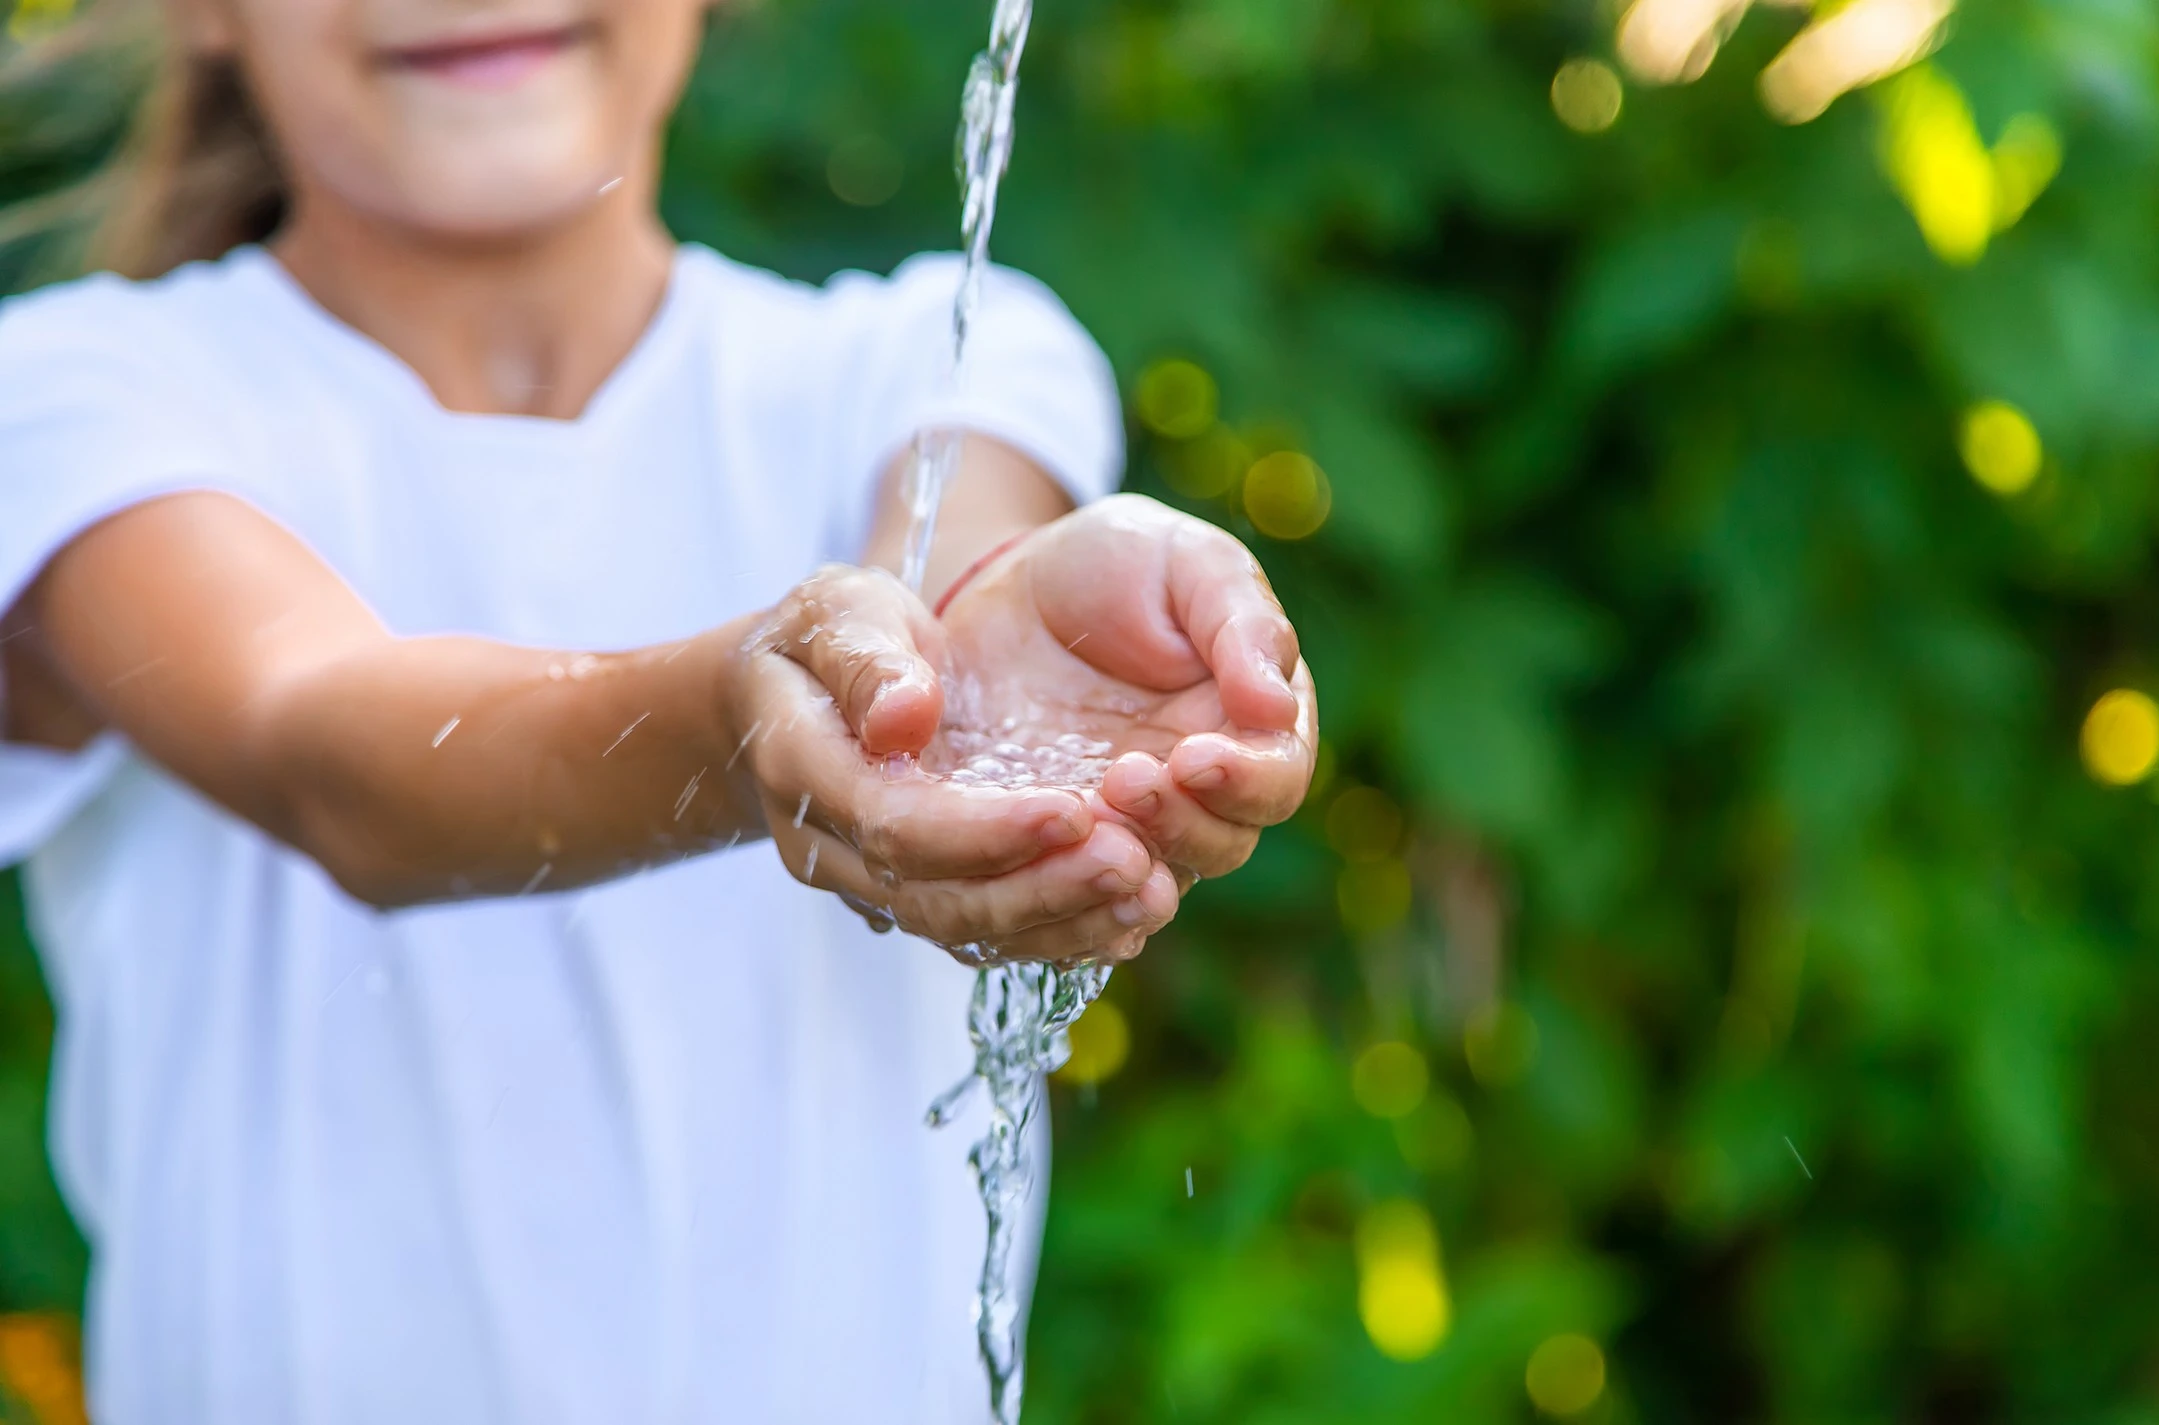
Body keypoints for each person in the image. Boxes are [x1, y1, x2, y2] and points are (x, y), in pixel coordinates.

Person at [0, 0, 1317, 1420]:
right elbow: (333, 755)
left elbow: (944, 590)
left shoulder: (935, 362)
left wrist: (960, 673)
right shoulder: (73, 399)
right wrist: (742, 725)